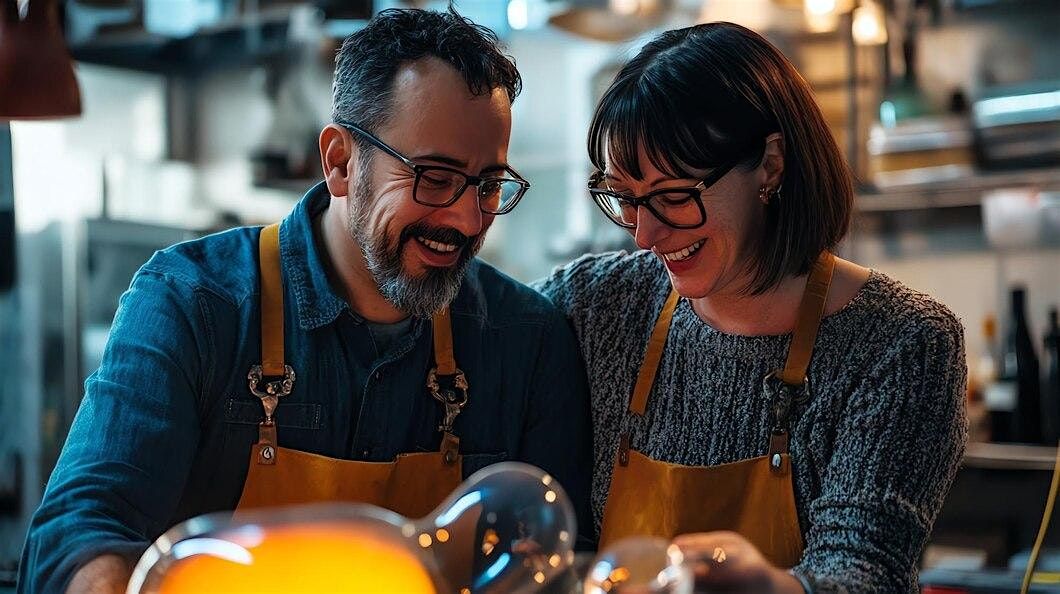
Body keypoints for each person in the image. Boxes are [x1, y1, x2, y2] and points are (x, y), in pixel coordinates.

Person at [19, 9, 593, 594]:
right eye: (435, 177)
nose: (468, 218)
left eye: (489, 184)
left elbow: (555, 563)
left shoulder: (527, 340)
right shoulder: (193, 304)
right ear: (341, 161)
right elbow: (80, 531)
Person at [536, 22, 966, 593]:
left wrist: (767, 587)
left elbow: (865, 572)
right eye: (625, 197)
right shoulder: (598, 306)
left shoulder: (904, 344)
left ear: (769, 165)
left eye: (672, 197)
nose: (644, 234)